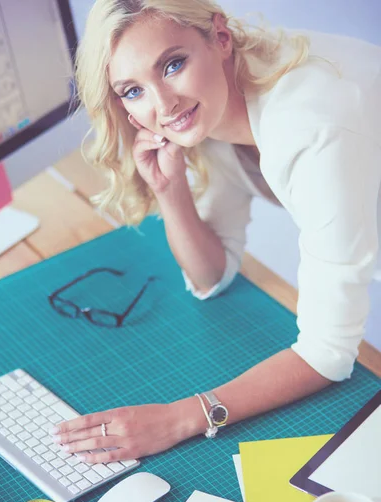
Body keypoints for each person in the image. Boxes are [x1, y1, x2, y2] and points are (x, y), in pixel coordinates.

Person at [50, 0, 381, 464]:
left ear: (220, 38)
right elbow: (212, 275)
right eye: (132, 90)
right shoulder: (220, 106)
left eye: (173, 64)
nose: (163, 105)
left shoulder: (312, 126)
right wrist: (170, 191)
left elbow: (329, 353)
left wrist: (180, 418)